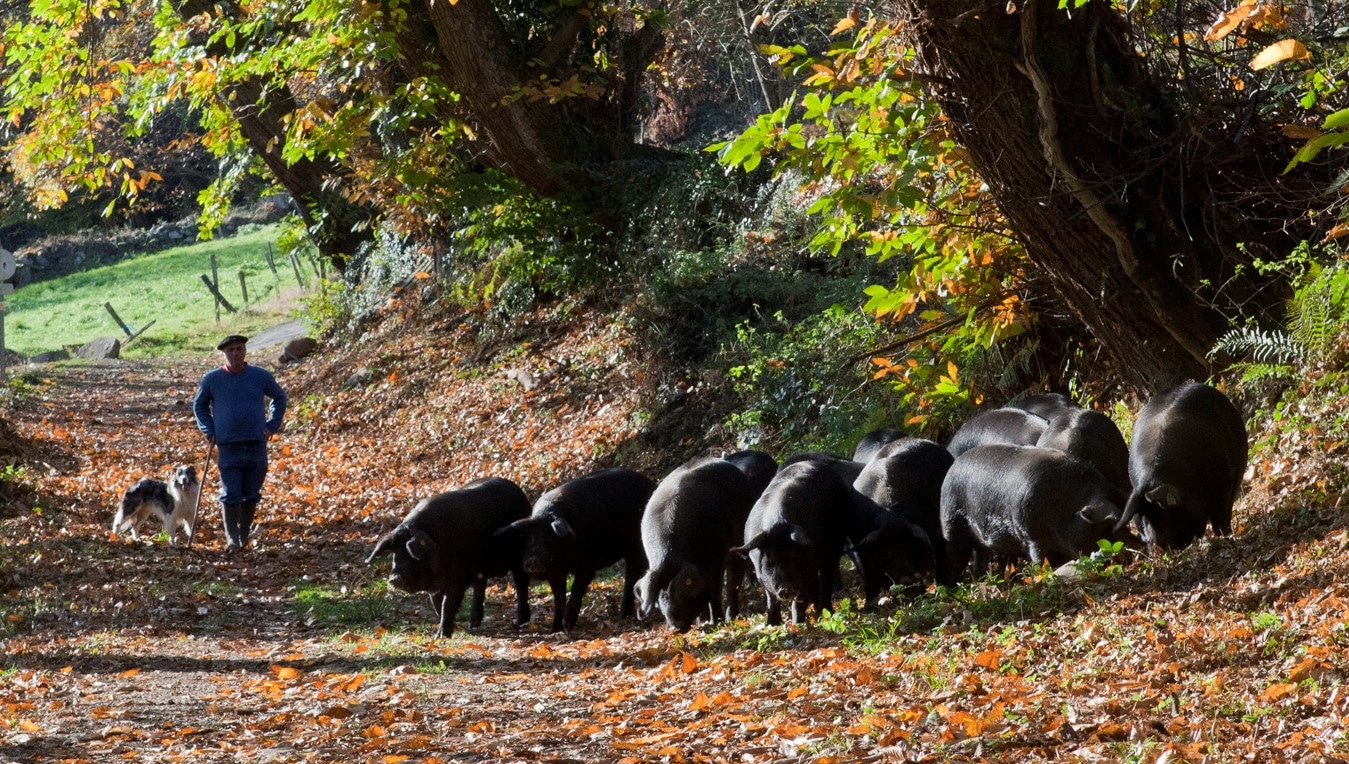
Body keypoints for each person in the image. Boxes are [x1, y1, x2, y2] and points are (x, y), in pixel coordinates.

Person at [193, 334, 287, 552]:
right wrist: (209, 430)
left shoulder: (259, 376)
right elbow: (199, 406)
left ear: (245, 351)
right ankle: (232, 538)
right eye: (230, 351)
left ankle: (243, 535)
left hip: (256, 443)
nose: (235, 354)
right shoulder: (212, 379)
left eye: (238, 349)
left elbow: (279, 398)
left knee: (251, 492)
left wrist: (272, 425)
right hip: (228, 445)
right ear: (224, 354)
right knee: (231, 492)